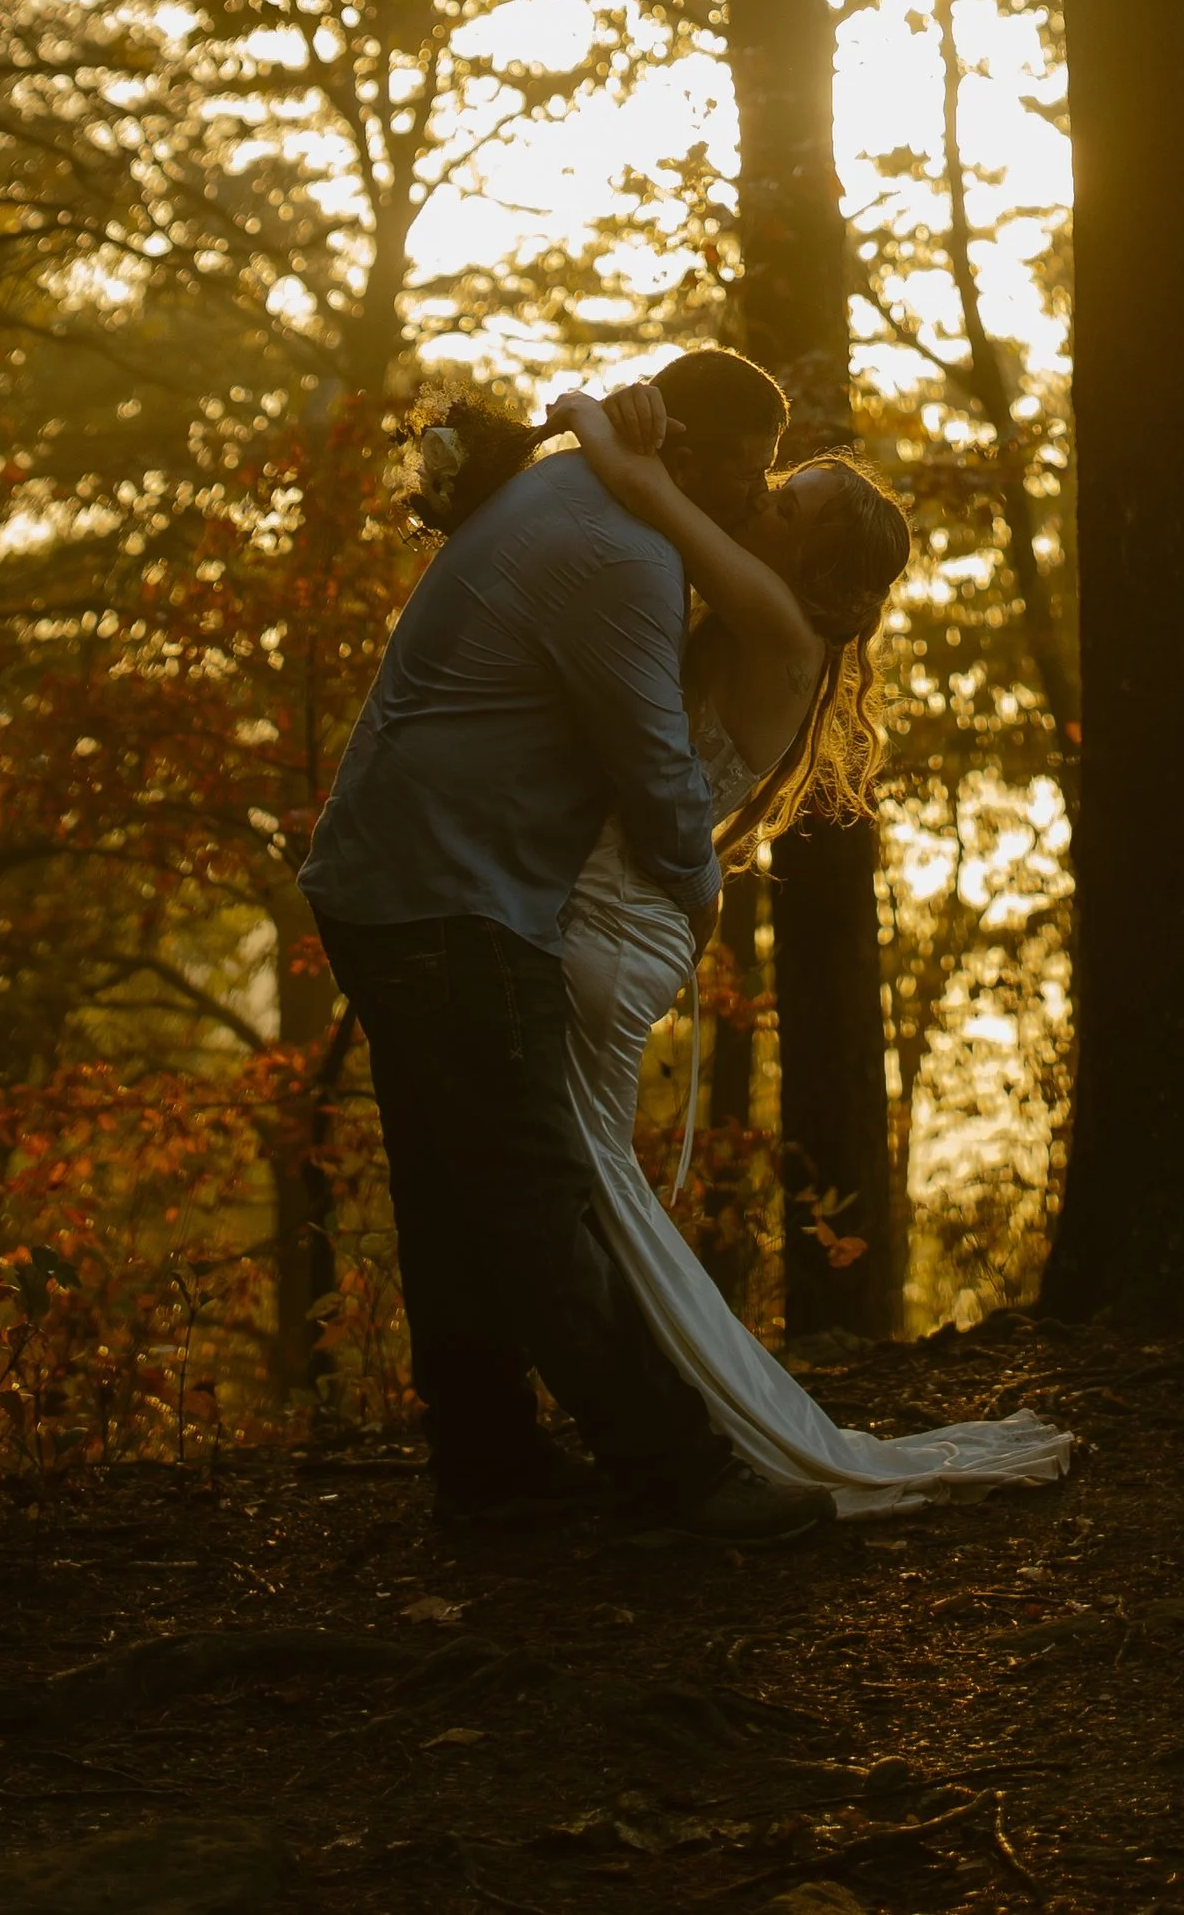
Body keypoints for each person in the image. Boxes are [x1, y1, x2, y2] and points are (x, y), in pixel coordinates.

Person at [300, 345, 833, 1540]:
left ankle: (487, 1472)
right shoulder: (626, 554)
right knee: (537, 1194)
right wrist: (696, 894)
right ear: (681, 453)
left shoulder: (574, 491)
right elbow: (655, 774)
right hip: (451, 899)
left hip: (387, 878)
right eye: (746, 476)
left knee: (451, 1189)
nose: (751, 500)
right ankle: (677, 1476)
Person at [548, 384, 1071, 1514]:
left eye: (786, 505)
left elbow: (641, 489)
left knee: (579, 1192)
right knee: (582, 1188)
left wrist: (596, 413)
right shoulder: (751, 621)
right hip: (611, 927)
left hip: (603, 936)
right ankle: (669, 1429)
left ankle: (688, 1440)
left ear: (815, 567)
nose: (760, 503)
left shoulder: (774, 625)